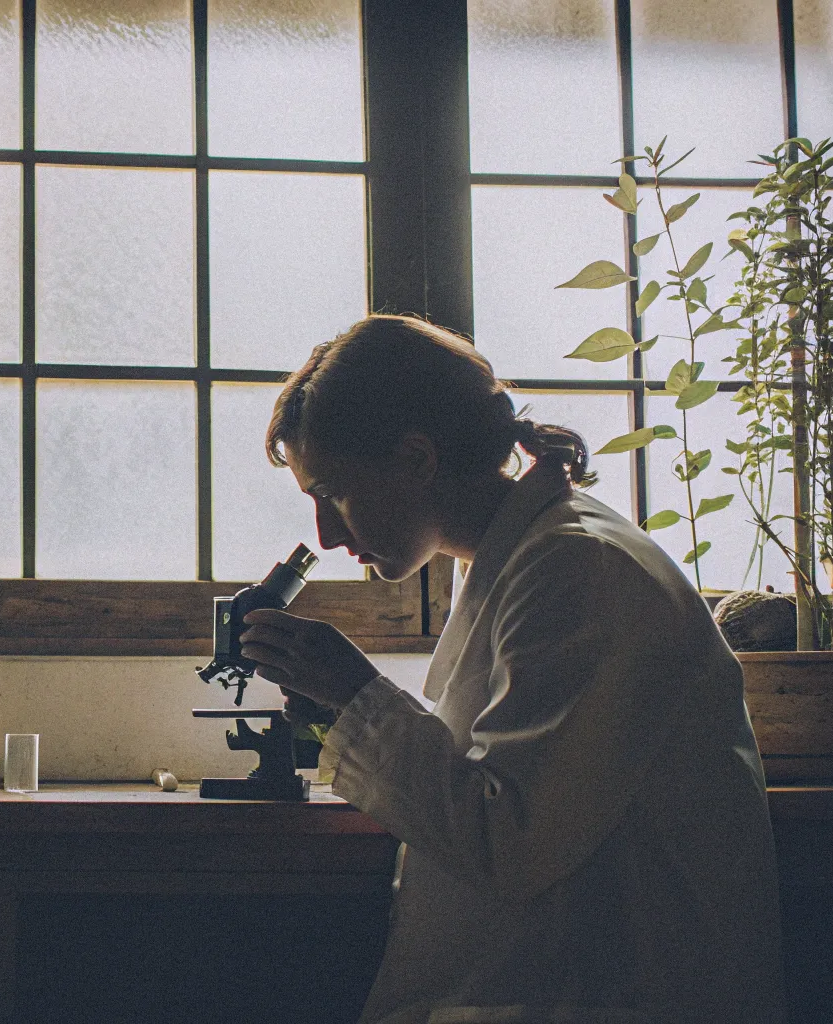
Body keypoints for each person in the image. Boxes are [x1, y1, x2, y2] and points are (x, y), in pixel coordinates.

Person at [239, 315, 784, 1024]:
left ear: (416, 458)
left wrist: (355, 696)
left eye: (333, 491)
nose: (326, 533)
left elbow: (512, 839)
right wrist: (340, 711)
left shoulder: (578, 566)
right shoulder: (525, 556)